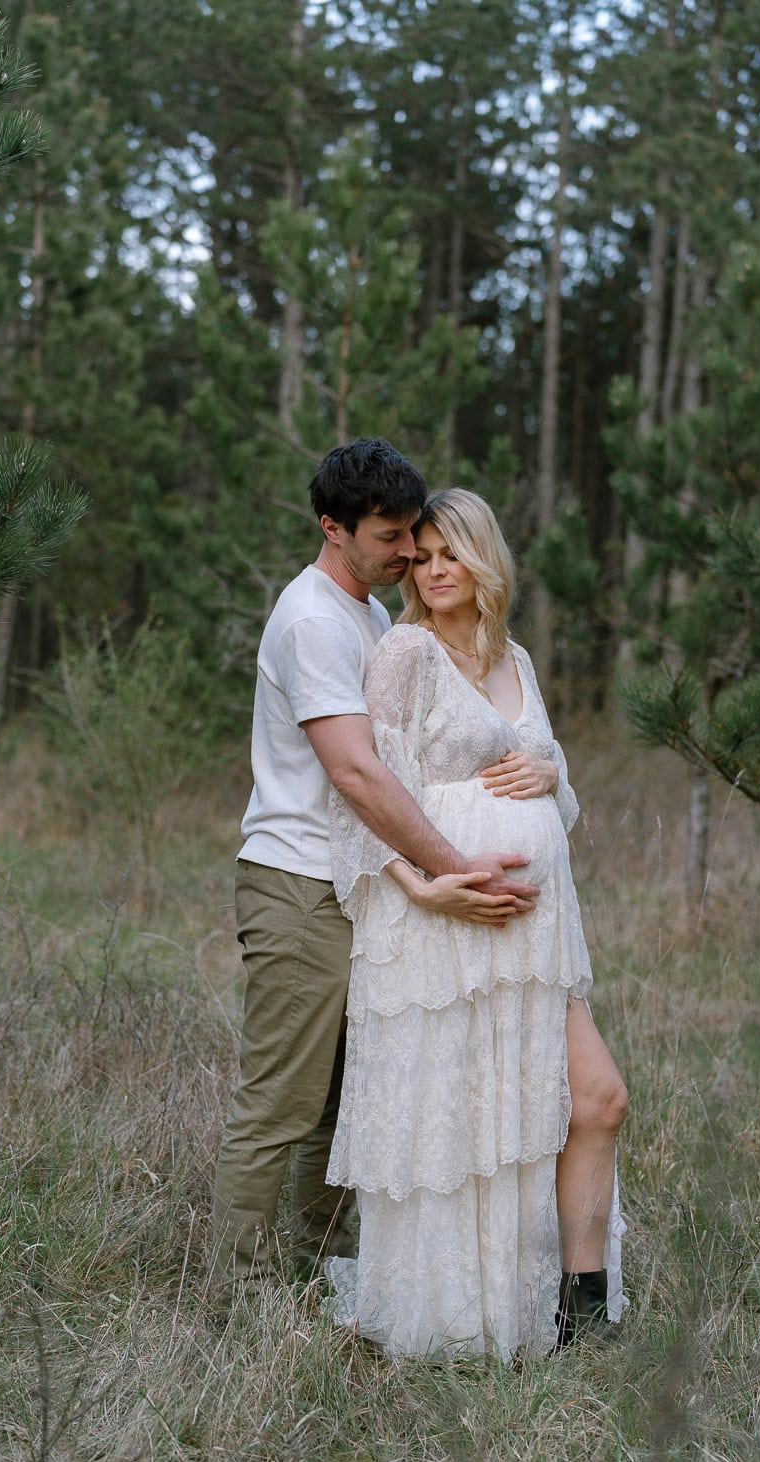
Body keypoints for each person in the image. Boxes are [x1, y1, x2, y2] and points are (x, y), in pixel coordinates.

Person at [210, 443, 540, 1293]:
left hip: (357, 886)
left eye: (413, 536)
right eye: (392, 537)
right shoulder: (315, 620)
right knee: (282, 1100)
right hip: (298, 884)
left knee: (339, 1098)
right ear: (334, 528)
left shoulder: (363, 613)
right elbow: (356, 772)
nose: (407, 553)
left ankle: (322, 1271)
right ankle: (237, 1298)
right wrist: (449, 863)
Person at [324, 487, 628, 1360]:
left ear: (483, 556)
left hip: (533, 939)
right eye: (417, 557)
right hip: (436, 930)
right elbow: (358, 796)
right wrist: (422, 885)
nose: (431, 570)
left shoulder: (518, 661)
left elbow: (558, 795)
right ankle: (460, 1316)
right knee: (460, 1123)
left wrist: (550, 781)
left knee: (595, 1100)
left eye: (448, 552)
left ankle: (580, 1317)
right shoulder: (403, 653)